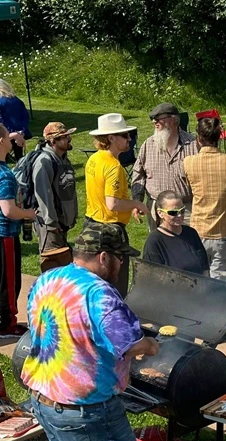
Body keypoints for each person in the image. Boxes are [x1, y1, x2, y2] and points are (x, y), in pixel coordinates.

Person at [22, 222, 160, 441]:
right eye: (119, 259)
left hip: (43, 395)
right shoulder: (99, 293)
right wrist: (151, 345)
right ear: (103, 257)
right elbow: (129, 345)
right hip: (83, 406)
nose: (121, 265)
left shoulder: (48, 279)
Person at [84, 113, 147, 298]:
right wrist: (136, 203)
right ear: (111, 138)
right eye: (125, 135)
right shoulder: (113, 166)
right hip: (109, 232)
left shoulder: (93, 159)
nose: (130, 139)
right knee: (115, 284)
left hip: (90, 225)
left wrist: (129, 206)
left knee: (93, 283)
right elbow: (112, 204)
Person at [184, 117, 226, 278]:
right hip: (224, 232)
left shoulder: (188, 163)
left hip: (197, 229)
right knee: (219, 280)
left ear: (198, 139)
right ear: (219, 137)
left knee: (199, 279)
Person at [131, 102, 198, 231]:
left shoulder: (192, 145)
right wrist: (137, 201)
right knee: (159, 249)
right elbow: (138, 174)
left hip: (185, 210)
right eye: (152, 119)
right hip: (156, 211)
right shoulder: (149, 144)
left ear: (173, 120)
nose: (154, 122)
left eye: (158, 119)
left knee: (187, 248)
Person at [0, 124, 37, 336]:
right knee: (10, 281)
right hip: (5, 234)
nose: (10, 141)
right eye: (7, 138)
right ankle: (8, 323)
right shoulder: (5, 174)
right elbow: (8, 210)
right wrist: (28, 214)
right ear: (1, 142)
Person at [32, 122, 79, 272]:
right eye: (64, 137)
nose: (69, 138)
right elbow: (43, 195)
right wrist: (51, 223)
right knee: (52, 269)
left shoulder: (63, 159)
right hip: (50, 226)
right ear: (53, 141)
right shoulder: (44, 162)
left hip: (60, 224)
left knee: (63, 267)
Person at [142, 190, 209, 276]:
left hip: (198, 287)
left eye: (182, 210)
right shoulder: (154, 241)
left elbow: (205, 267)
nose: (179, 215)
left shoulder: (191, 233)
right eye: (173, 212)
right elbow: (152, 277)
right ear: (160, 213)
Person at [0, 79, 30, 162]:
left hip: (5, 133)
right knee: (19, 155)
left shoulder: (1, 101)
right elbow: (25, 116)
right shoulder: (17, 100)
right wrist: (21, 131)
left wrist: (9, 132)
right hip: (20, 131)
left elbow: (1, 121)